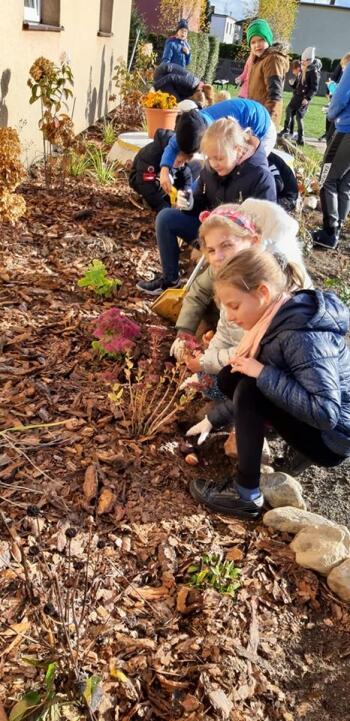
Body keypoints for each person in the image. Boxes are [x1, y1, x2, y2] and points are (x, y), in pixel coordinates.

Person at [186, 247, 350, 519]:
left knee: (252, 386)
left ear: (262, 292)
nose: (229, 316)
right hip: (319, 419)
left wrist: (262, 373)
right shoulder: (275, 318)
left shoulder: (300, 335)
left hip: (332, 438)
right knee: (233, 376)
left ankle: (245, 494)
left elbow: (326, 413)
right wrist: (213, 419)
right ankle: (280, 439)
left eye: (234, 305)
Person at [136, 118, 276, 295]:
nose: (214, 164)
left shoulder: (260, 177)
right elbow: (199, 203)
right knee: (166, 217)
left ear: (238, 150)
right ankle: (170, 280)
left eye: (219, 158)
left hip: (241, 245)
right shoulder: (210, 169)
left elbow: (265, 229)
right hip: (211, 231)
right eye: (209, 158)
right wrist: (189, 203)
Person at [170, 199, 311, 360]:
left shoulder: (268, 277)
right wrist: (185, 330)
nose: (218, 257)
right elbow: (198, 292)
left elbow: (256, 342)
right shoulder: (224, 267)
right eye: (211, 250)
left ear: (254, 241)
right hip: (233, 340)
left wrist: (209, 359)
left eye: (227, 245)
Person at [158, 98, 277, 197]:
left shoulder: (214, 132)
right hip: (243, 114)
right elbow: (173, 144)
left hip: (262, 127)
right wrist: (164, 170)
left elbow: (209, 173)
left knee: (242, 170)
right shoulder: (190, 126)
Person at [313, 52, 350, 249]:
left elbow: (340, 98)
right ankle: (339, 226)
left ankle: (329, 232)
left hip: (346, 131)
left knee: (326, 178)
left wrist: (331, 114)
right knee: (345, 182)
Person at [129, 128, 196, 213]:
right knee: (156, 184)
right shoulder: (151, 155)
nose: (182, 164)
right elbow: (145, 184)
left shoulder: (180, 156)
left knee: (192, 168)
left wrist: (184, 195)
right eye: (180, 161)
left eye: (184, 162)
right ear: (171, 155)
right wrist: (161, 205)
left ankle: (171, 199)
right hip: (142, 179)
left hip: (167, 175)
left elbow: (186, 175)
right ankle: (151, 201)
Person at [246, 18, 289, 126]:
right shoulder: (259, 60)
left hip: (265, 119)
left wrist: (266, 122)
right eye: (253, 42)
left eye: (261, 40)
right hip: (257, 116)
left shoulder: (272, 60)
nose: (257, 45)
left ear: (268, 40)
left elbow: (274, 95)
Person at [280, 48, 321, 146]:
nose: (302, 63)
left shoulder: (313, 72)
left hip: (303, 98)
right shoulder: (303, 69)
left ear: (309, 60)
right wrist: (293, 84)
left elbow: (314, 88)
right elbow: (299, 84)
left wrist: (307, 98)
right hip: (297, 96)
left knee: (299, 117)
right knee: (289, 111)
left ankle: (300, 138)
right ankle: (286, 130)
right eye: (301, 61)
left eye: (303, 61)